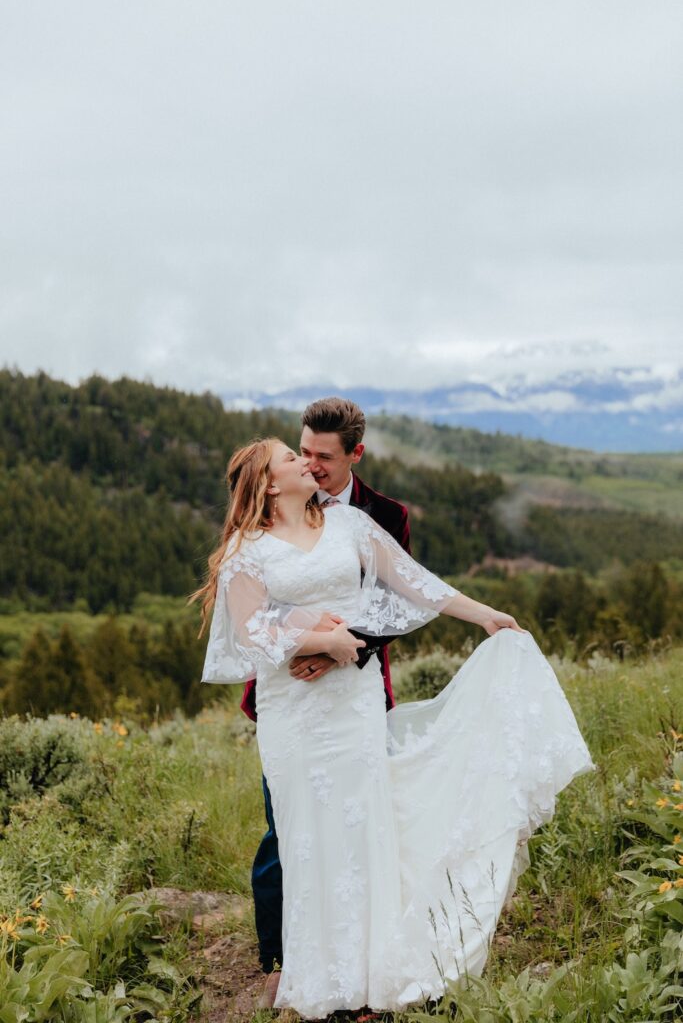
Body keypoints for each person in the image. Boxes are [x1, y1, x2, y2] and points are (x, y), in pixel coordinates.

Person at [193, 437, 593, 1017]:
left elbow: (412, 580)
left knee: (364, 828)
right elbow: (252, 631)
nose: (306, 463)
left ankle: (375, 976)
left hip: (353, 702)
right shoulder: (245, 552)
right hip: (295, 713)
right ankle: (325, 981)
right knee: (308, 838)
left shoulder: (350, 525)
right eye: (290, 458)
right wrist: (319, 638)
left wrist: (483, 615)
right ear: (270, 484)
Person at [240, 398, 413, 985]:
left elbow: (398, 599)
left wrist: (343, 650)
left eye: (323, 457)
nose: (311, 465)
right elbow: (253, 615)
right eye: (303, 451)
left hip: (355, 689)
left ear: (355, 455)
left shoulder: (382, 514)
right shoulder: (261, 527)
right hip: (289, 692)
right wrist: (307, 647)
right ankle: (280, 963)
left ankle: (364, 960)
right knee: (285, 830)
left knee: (360, 823)